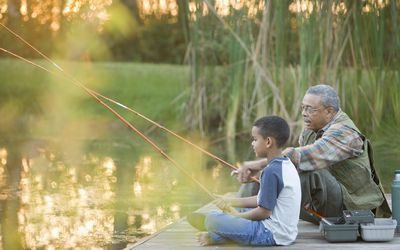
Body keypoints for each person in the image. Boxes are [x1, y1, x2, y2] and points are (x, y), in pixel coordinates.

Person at [236, 84, 391, 223]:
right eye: (303, 108)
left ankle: (258, 213)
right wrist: (262, 173)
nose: (304, 113)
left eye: (310, 109)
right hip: (320, 205)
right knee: (270, 173)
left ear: (329, 112)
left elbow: (304, 157)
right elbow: (288, 165)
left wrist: (258, 163)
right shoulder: (309, 130)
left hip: (351, 208)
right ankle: (238, 211)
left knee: (309, 172)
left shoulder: (345, 132)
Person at [187, 116, 301, 246]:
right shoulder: (285, 164)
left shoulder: (271, 171)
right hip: (286, 232)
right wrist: (231, 201)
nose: (252, 143)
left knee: (213, 218)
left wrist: (237, 217)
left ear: (268, 141)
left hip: (270, 233)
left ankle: (215, 231)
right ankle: (221, 231)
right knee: (237, 210)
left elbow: (263, 212)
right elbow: (261, 199)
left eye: (255, 139)